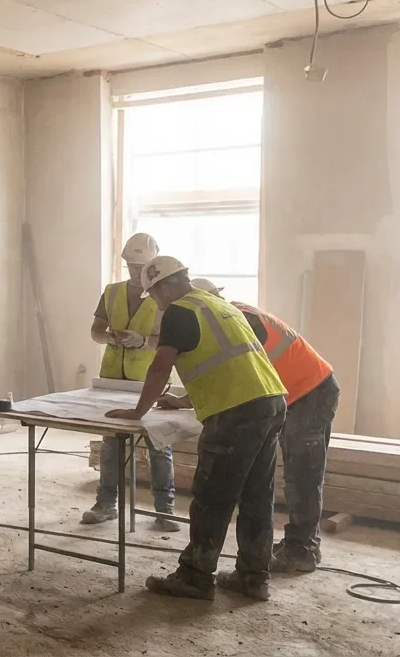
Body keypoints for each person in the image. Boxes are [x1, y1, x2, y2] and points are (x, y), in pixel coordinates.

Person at [106, 256, 287, 601]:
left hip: (236, 413)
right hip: (271, 401)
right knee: (256, 497)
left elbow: (161, 365)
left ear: (164, 287)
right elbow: (231, 360)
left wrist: (137, 411)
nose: (157, 304)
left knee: (211, 497)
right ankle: (253, 577)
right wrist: (184, 399)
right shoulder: (220, 306)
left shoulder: (179, 310)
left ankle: (195, 576)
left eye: (155, 296)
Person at [191, 278, 340, 573]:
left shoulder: (239, 319)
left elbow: (240, 371)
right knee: (298, 474)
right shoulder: (237, 314)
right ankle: (301, 543)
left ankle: (303, 548)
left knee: (302, 475)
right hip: (302, 390)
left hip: (309, 392)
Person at [84, 232, 179, 531]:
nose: (136, 274)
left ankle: (165, 510)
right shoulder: (112, 292)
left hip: (150, 379)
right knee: (111, 444)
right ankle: (106, 504)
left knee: (158, 444)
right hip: (113, 378)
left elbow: (172, 339)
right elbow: (96, 330)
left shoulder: (164, 295)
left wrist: (143, 341)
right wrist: (109, 336)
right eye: (131, 267)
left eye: (141, 267)